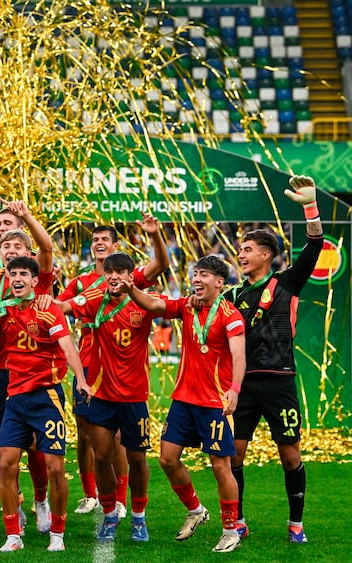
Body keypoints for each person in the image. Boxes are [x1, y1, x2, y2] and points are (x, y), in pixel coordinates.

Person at [0, 256, 91, 553]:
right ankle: (13, 535)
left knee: (55, 467)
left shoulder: (48, 311)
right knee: (6, 465)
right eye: (12, 273)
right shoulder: (3, 312)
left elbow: (68, 346)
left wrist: (81, 380)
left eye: (23, 274)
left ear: (35, 281)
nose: (17, 278)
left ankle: (57, 533)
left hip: (46, 398)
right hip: (15, 400)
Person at [223, 175, 324, 543]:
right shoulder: (232, 295)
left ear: (266, 254)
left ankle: (296, 522)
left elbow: (315, 246)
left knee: (289, 455)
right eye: (241, 249)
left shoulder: (287, 283)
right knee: (234, 456)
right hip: (244, 384)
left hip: (280, 380)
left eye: (247, 249)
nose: (241, 254)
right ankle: (239, 519)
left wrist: (310, 206)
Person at [124, 255, 246, 553]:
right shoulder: (187, 306)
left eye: (203, 274)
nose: (196, 279)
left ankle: (231, 530)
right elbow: (154, 305)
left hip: (214, 403)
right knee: (167, 459)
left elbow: (240, 355)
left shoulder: (231, 316)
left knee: (220, 466)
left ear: (220, 282)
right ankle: (195, 509)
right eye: (195, 273)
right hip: (183, 400)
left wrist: (234, 389)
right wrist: (130, 291)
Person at [58, 217, 168, 516]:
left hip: (124, 370)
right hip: (89, 366)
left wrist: (155, 236)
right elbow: (59, 309)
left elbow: (160, 265)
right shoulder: (81, 284)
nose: (99, 243)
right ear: (91, 248)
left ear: (115, 246)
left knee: (122, 439)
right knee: (86, 435)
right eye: (95, 240)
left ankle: (121, 499)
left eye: (105, 239)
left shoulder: (132, 281)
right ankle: (90, 493)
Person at [0, 201, 55, 534]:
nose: (10, 250)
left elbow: (48, 247)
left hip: (38, 372)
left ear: (28, 253)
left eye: (18, 245)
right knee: (4, 444)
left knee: (38, 445)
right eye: (5, 245)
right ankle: (17, 502)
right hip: (2, 370)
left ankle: (41, 500)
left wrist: (26, 217)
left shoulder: (39, 281)